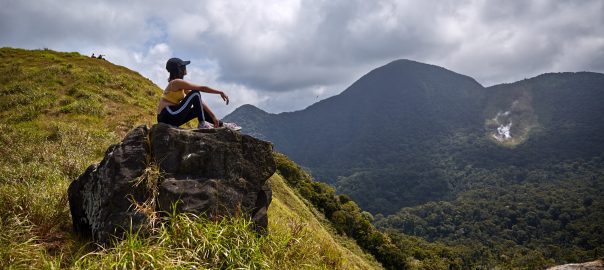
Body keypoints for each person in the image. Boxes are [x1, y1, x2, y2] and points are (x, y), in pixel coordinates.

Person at [156, 57, 241, 130]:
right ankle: (202, 124)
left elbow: (198, 101)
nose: (186, 67)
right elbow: (201, 89)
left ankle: (222, 125)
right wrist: (220, 92)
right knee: (196, 92)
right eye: (184, 66)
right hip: (167, 115)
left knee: (198, 107)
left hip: (172, 116)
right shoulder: (176, 82)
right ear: (180, 69)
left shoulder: (179, 84)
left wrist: (214, 116)